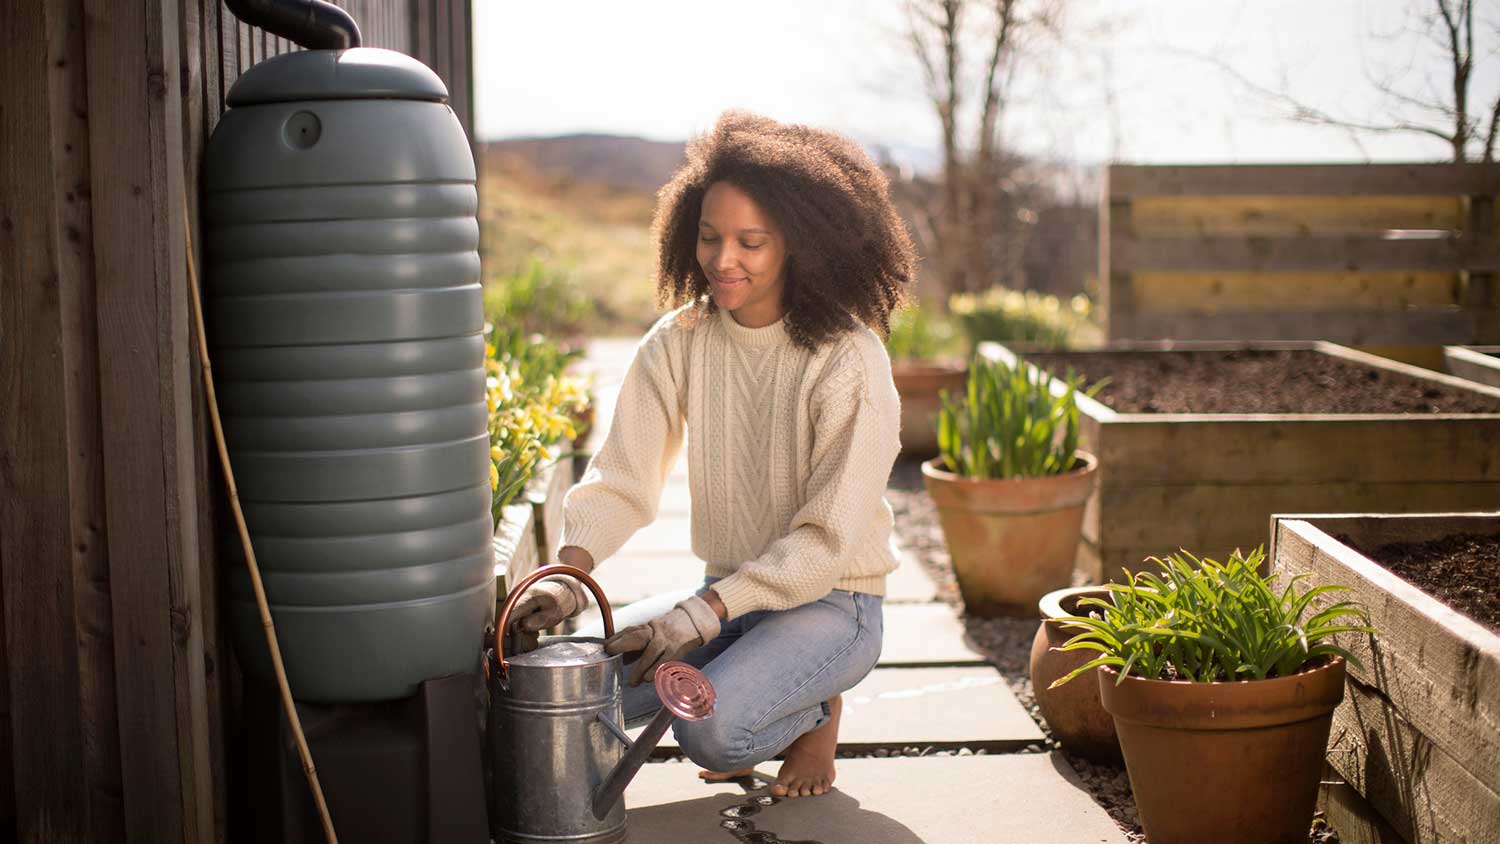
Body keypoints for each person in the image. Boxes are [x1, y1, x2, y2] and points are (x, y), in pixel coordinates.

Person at [505, 110, 916, 799]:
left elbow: (823, 544)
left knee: (711, 731)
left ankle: (812, 714)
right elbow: (621, 480)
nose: (723, 260)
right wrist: (566, 578)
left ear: (799, 244)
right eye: (709, 236)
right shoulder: (679, 341)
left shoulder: (849, 360)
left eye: (751, 242)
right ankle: (762, 679)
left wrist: (699, 619)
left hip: (834, 605)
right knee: (576, 693)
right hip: (725, 594)